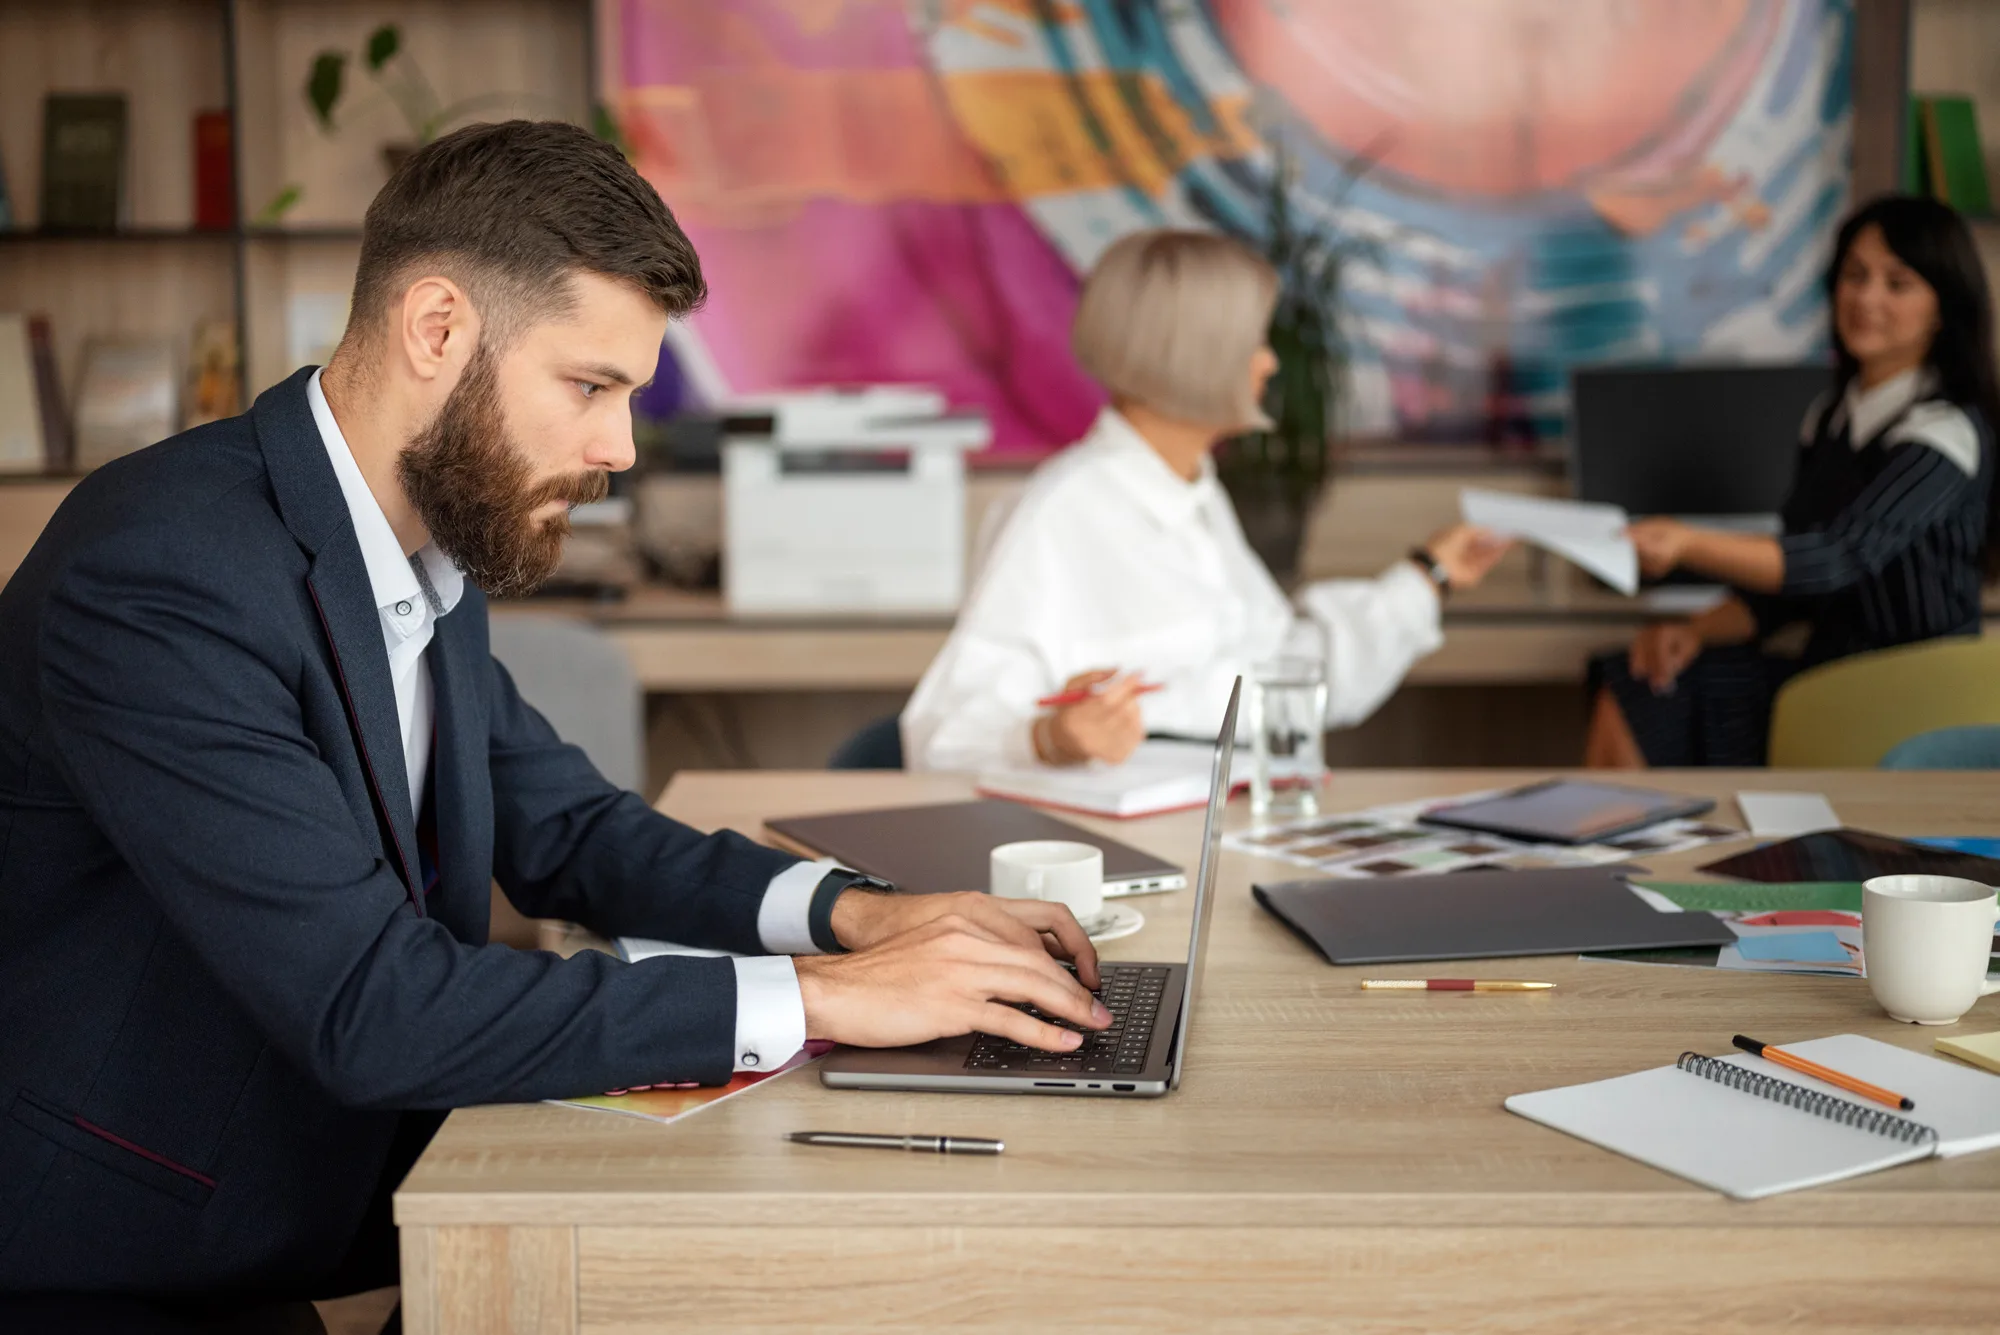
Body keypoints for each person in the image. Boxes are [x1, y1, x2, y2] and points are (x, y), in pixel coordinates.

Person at [0, 122, 1109, 1325]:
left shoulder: (416, 540)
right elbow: (374, 1006)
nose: (616, 450)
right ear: (438, 329)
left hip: (335, 1185)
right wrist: (829, 999)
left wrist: (861, 914)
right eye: (589, 386)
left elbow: (571, 831)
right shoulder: (167, 576)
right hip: (119, 1250)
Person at [900, 229, 1512, 773]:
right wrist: (1052, 738)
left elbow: (1282, 680)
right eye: (1254, 342)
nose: (1270, 363)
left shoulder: (1194, 497)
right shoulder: (1060, 515)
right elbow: (942, 740)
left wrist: (1430, 575)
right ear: (1198, 355)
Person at [1585, 195, 2000, 768]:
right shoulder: (1829, 417)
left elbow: (1836, 557)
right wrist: (1696, 631)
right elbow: (1789, 586)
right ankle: (1630, 856)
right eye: (1854, 276)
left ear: (1942, 308)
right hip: (1831, 675)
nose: (1866, 298)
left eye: (1897, 283)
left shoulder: (1945, 432)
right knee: (1641, 681)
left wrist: (1686, 541)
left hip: (1913, 690)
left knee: (1658, 700)